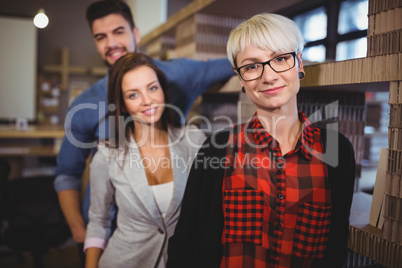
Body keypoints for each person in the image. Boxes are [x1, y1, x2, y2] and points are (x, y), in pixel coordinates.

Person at [167, 13, 356, 268]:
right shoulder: (217, 149)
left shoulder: (336, 150)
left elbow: (335, 248)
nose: (268, 76)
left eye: (280, 58)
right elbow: (184, 245)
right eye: (252, 66)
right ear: (240, 78)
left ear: (299, 64)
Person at [53, 0, 234, 257]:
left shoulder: (178, 76)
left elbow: (230, 64)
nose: (111, 43)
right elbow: (67, 174)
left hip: (170, 232)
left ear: (135, 33)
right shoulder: (84, 104)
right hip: (110, 236)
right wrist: (81, 233)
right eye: (101, 37)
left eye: (118, 31)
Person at [84, 52, 206, 268]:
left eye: (152, 88)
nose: (147, 100)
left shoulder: (193, 140)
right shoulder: (107, 155)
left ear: (163, 90)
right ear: (122, 105)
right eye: (133, 95)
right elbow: (98, 222)